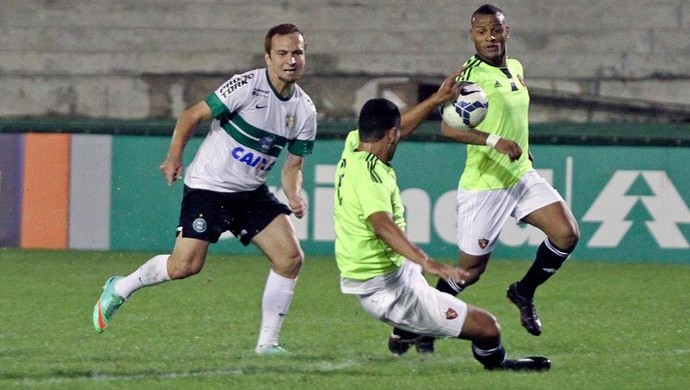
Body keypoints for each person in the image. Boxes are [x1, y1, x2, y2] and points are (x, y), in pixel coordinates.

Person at [92, 23, 317, 356]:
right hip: (209, 188)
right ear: (267, 57)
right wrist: (174, 156)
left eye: (297, 52)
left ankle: (268, 345)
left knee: (290, 258)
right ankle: (121, 287)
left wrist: (294, 194)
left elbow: (292, 167)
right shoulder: (247, 86)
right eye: (282, 53)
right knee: (185, 267)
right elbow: (191, 114)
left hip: (250, 193)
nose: (291, 60)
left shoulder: (305, 111)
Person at [392, 4, 581, 353]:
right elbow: (449, 127)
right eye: (482, 31)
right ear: (472, 36)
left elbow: (513, 117)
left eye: (496, 30)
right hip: (486, 184)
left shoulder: (516, 67)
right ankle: (415, 324)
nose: (490, 37)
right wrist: (495, 141)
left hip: (520, 174)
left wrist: (521, 146)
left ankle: (523, 291)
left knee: (566, 233)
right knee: (469, 272)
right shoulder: (469, 76)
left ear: (507, 32)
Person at [332, 84, 551, 370]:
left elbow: (401, 126)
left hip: (395, 272)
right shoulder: (371, 176)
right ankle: (498, 366)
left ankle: (410, 330)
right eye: (397, 132)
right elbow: (381, 225)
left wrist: (436, 99)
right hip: (387, 289)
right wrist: (429, 263)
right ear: (391, 135)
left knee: (451, 313)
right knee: (487, 328)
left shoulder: (354, 147)